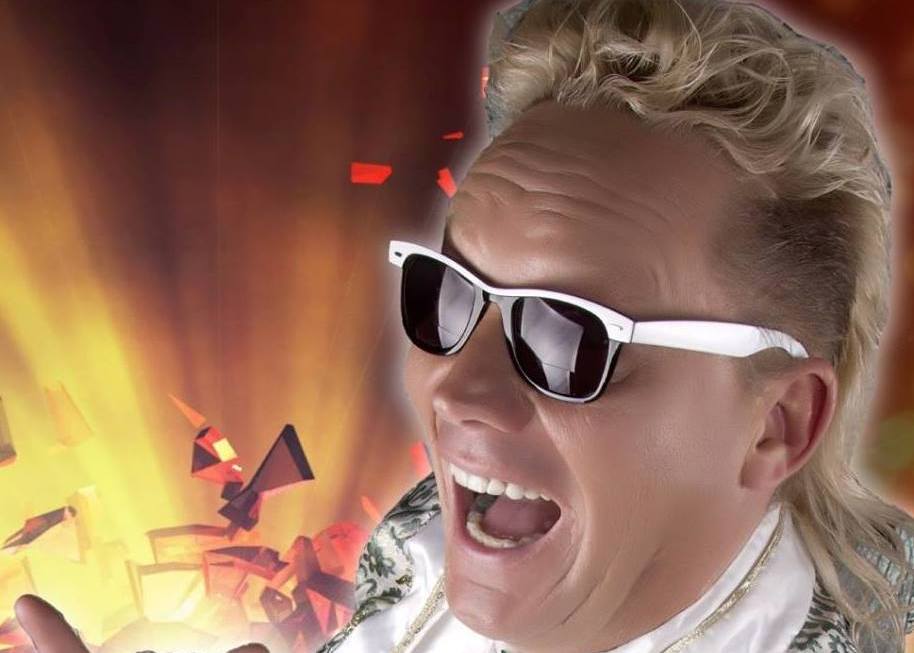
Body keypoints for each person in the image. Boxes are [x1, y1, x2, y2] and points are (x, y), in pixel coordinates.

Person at [14, 0, 914, 652]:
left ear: (776, 424)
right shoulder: (434, 543)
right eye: (448, 296)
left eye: (568, 338)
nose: (460, 389)